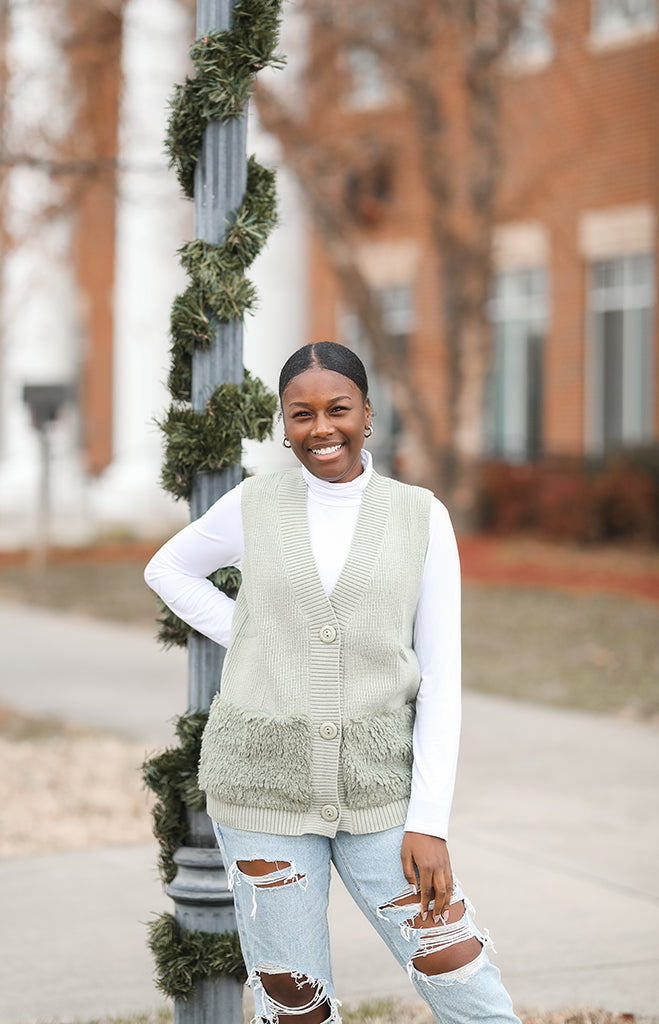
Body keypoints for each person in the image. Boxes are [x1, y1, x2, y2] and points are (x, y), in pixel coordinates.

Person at [145, 342, 520, 1024]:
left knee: (464, 981)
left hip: (383, 793)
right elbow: (168, 570)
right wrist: (256, 636)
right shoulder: (252, 505)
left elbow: (440, 676)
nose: (321, 428)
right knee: (295, 1006)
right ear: (282, 425)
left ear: (367, 415)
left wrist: (428, 822)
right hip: (261, 789)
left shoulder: (419, 516)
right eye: (301, 414)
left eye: (337, 409)